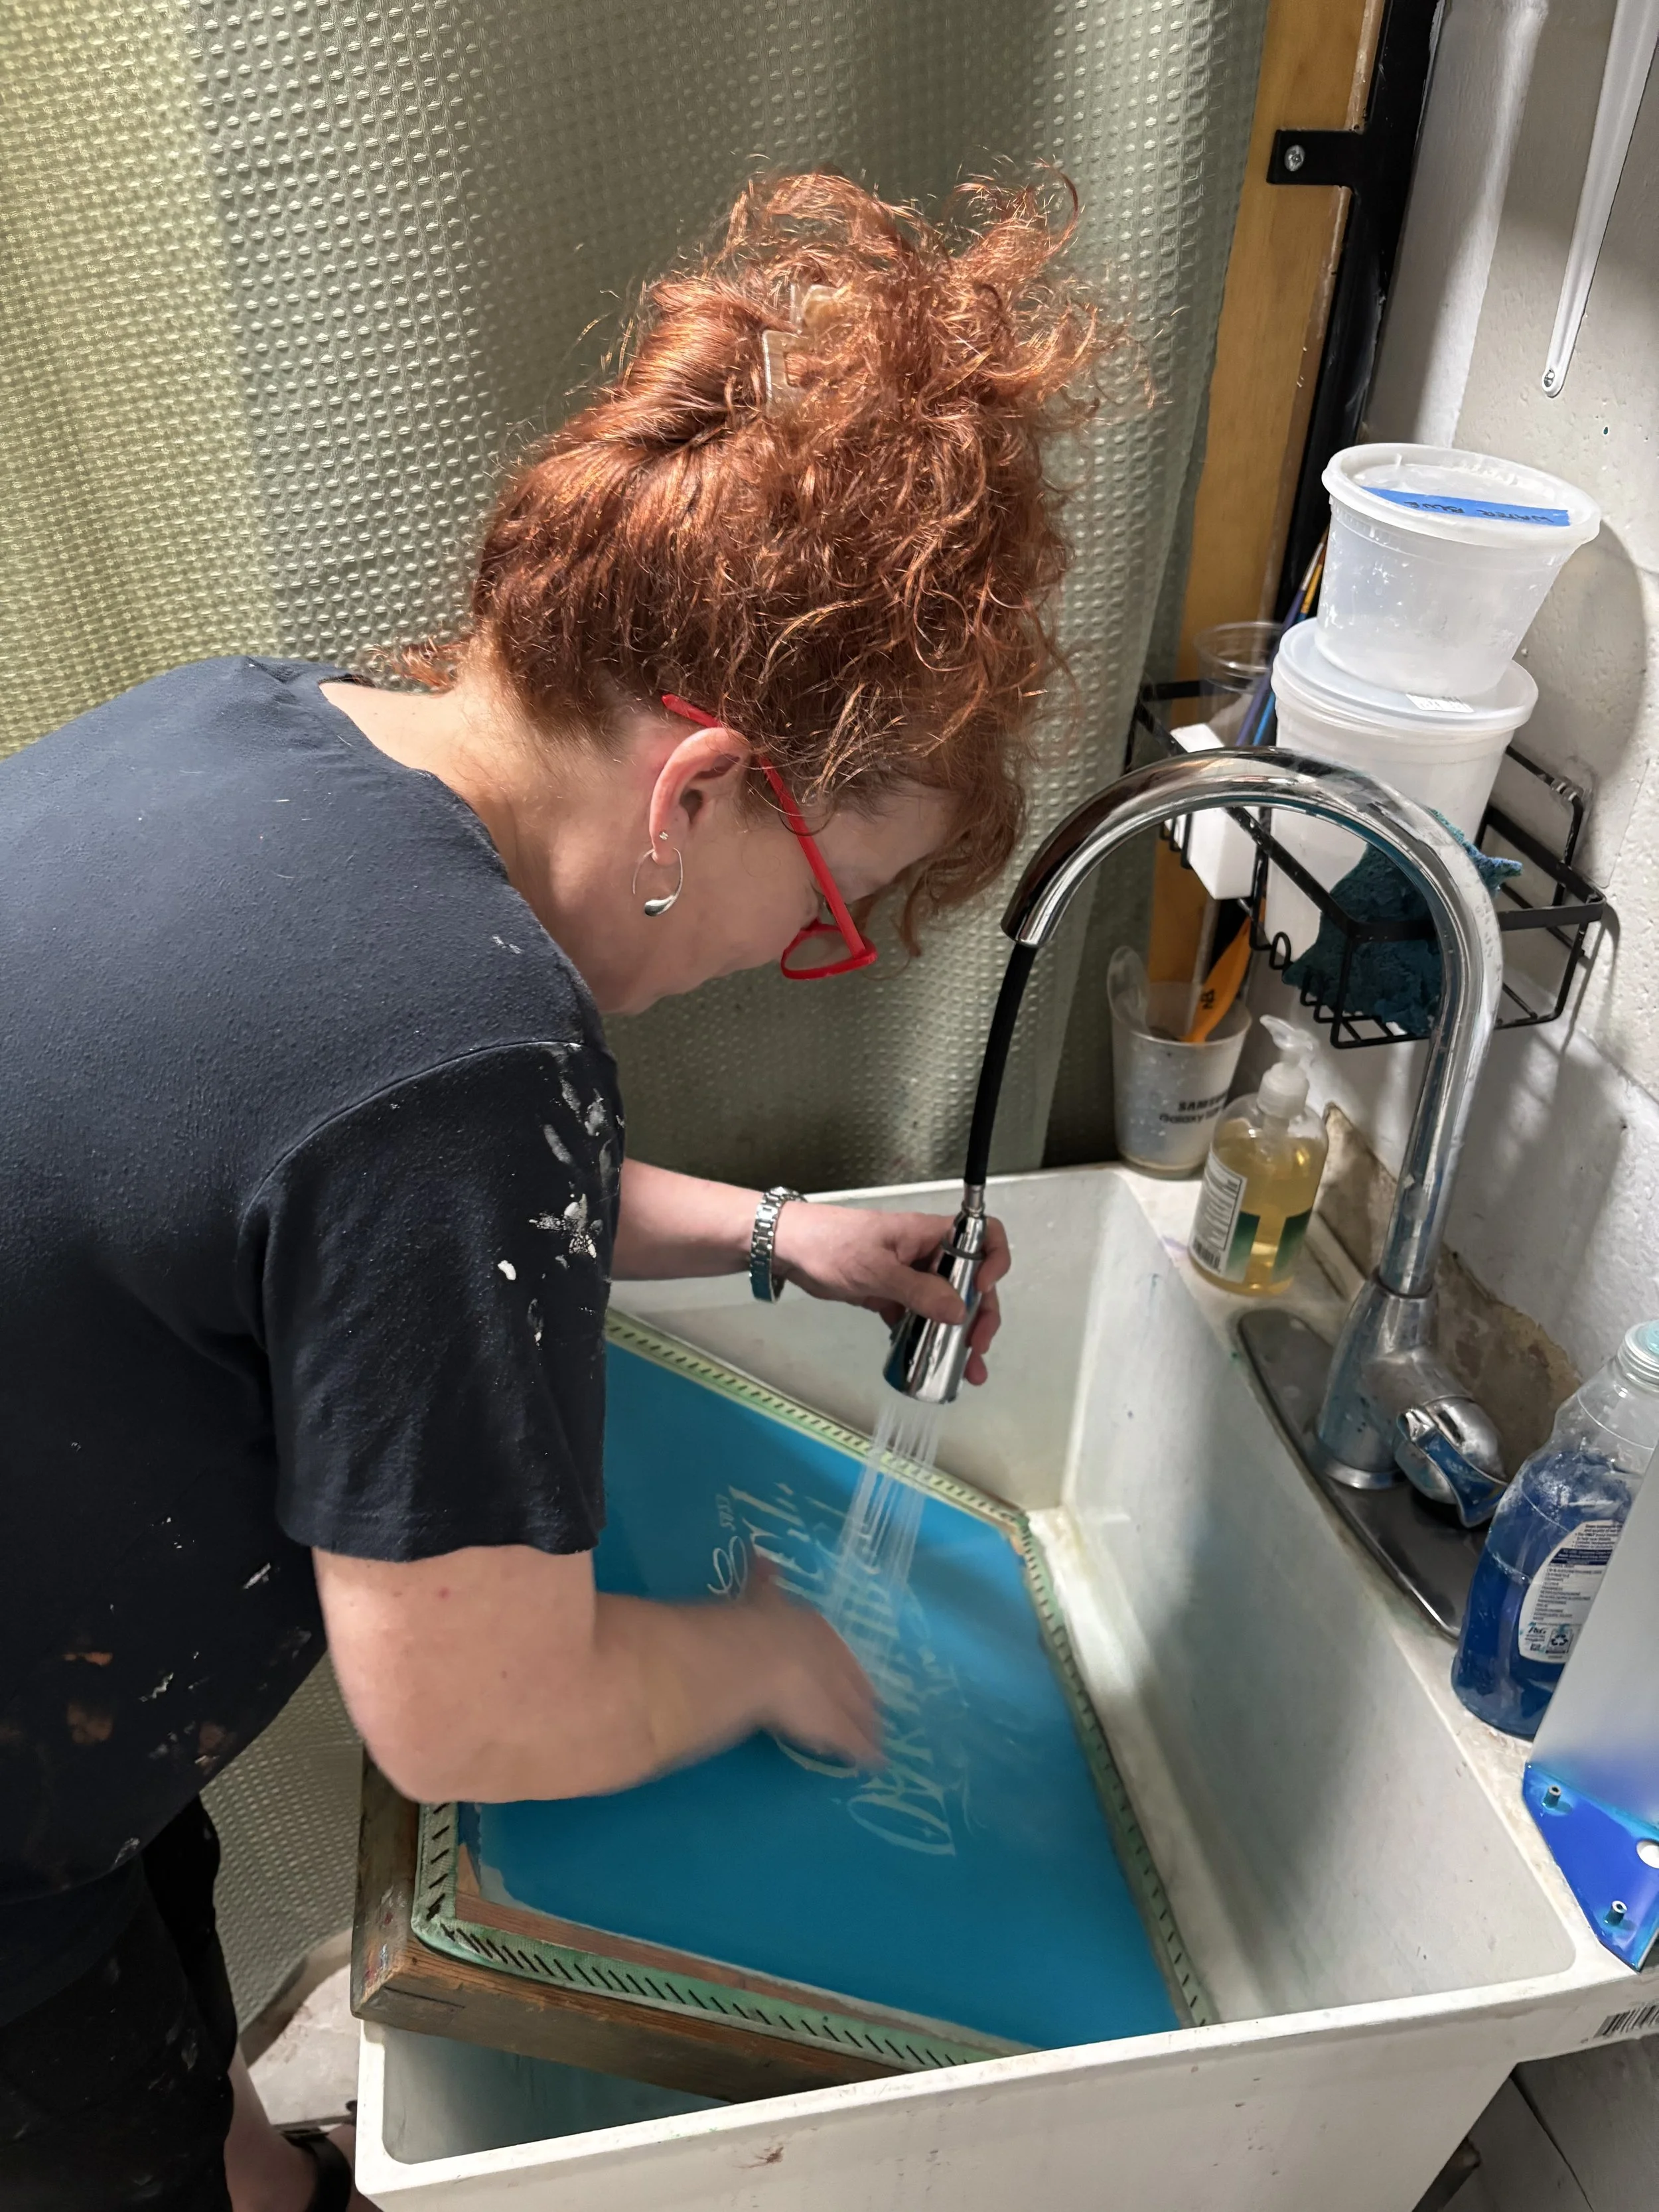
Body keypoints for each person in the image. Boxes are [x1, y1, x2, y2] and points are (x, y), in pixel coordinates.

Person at [0, 171, 1101, 2209]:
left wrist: (775, 1233)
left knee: (155, 2031)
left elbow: (330, 1207)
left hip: (47, 1676)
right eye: (829, 917)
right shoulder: (465, 1048)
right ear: (698, 792)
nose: (793, 963)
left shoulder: (265, 736)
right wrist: (762, 1654)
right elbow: (473, 1716)